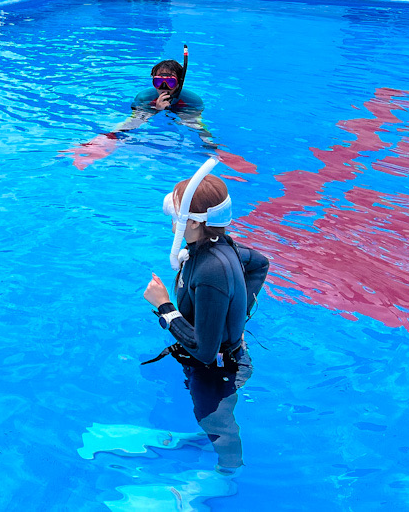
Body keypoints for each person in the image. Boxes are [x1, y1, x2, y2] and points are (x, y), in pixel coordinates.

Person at [140, 162, 269, 473]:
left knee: (214, 420)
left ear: (194, 223)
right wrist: (234, 313)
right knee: (203, 417)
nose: (171, 223)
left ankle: (229, 471)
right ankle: (203, 443)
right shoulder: (218, 246)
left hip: (217, 368)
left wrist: (164, 307)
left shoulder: (211, 270)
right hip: (221, 351)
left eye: (175, 218)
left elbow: (205, 349)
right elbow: (260, 263)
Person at [67, 50, 218, 171]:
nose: (163, 87)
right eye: (158, 82)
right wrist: (157, 109)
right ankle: (96, 145)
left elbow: (198, 123)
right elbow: (133, 121)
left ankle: (218, 152)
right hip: (149, 108)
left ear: (179, 83)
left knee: (197, 129)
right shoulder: (145, 98)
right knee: (126, 128)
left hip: (184, 110)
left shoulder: (192, 101)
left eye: (169, 82)